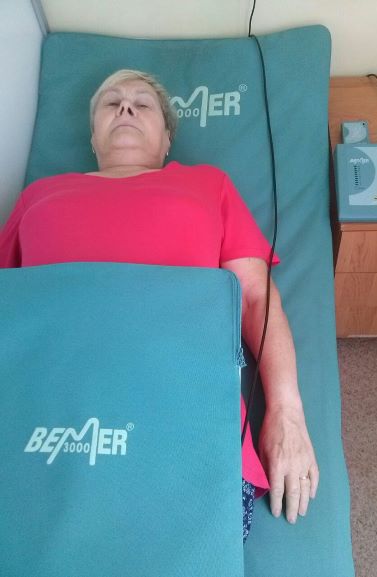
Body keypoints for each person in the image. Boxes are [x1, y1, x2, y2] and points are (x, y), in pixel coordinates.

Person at [0, 69, 319, 543]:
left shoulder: (209, 185)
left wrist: (287, 412)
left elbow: (256, 299)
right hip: (49, 413)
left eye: (142, 103)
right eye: (111, 102)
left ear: (168, 139)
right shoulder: (39, 195)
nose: (125, 107)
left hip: (183, 419)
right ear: (92, 136)